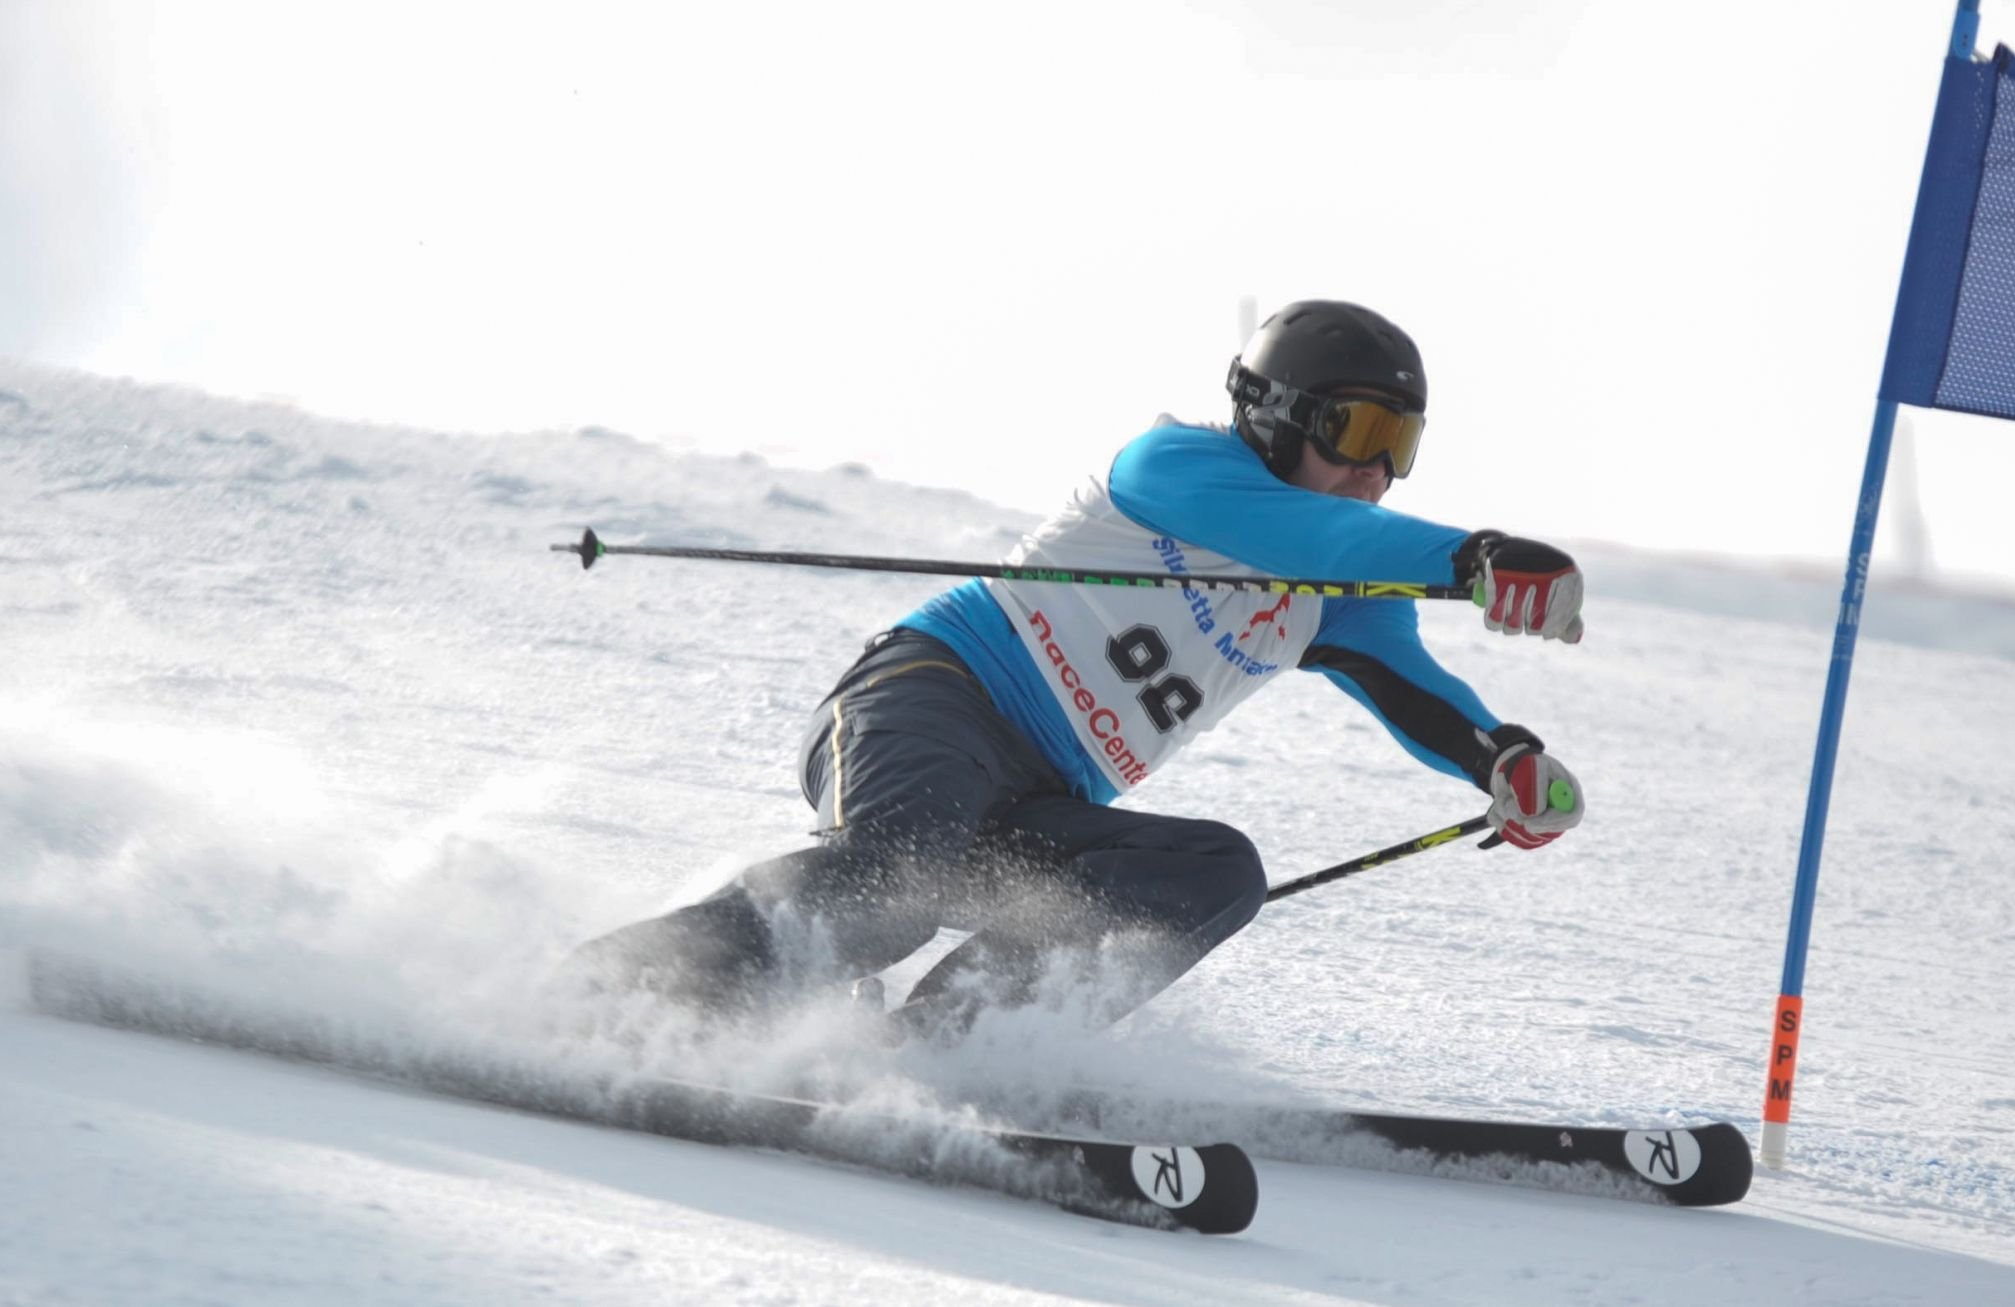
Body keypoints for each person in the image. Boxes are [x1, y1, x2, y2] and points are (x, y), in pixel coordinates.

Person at [569, 299, 1586, 1039]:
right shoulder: (1176, 467)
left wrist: (1504, 759)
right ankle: (605, 994)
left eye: (1398, 443)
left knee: (1214, 871)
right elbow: (1316, 535)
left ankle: (935, 1049)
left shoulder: (1337, 591)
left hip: (1038, 797)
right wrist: (1475, 557)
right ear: (1278, 415)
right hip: (934, 700)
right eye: (1355, 431)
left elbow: (1417, 687)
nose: (1374, 470)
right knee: (892, 888)